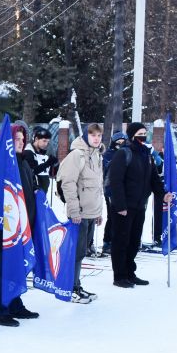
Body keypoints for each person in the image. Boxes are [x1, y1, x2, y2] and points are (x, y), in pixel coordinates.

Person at [105, 122, 172, 288]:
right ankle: (119, 275)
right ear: (133, 135)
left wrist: (163, 195)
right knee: (121, 241)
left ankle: (130, 272)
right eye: (141, 133)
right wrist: (120, 206)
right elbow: (115, 181)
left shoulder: (146, 155)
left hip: (139, 205)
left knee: (134, 241)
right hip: (123, 207)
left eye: (145, 133)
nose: (144, 136)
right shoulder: (123, 153)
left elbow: (154, 179)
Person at [0, 125, 40, 326]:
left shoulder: (22, 161)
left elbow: (29, 185)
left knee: (17, 267)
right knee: (2, 268)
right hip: (5, 226)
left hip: (22, 226)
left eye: (22, 139)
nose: (20, 142)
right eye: (16, 139)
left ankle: (14, 303)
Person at [55, 123, 105, 303]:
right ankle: (71, 287)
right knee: (76, 253)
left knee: (82, 252)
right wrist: (74, 211)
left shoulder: (97, 154)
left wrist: (98, 212)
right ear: (85, 136)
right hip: (79, 214)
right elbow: (68, 184)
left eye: (99, 136)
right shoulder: (77, 155)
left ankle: (77, 284)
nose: (97, 139)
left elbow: (97, 187)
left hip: (91, 213)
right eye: (93, 135)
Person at [100, 132, 127, 256]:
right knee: (112, 216)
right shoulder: (109, 154)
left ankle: (118, 241)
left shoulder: (126, 153)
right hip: (110, 189)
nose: (120, 145)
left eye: (123, 142)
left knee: (122, 217)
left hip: (123, 190)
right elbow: (106, 169)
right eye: (118, 142)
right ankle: (107, 242)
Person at [24, 126, 58, 194]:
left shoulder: (43, 151)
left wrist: (54, 165)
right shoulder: (28, 152)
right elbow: (31, 172)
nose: (46, 144)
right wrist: (48, 163)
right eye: (44, 141)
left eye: (47, 141)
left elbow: (49, 172)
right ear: (36, 139)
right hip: (33, 192)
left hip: (42, 192)